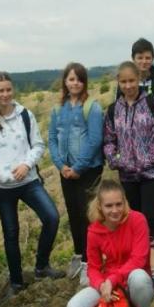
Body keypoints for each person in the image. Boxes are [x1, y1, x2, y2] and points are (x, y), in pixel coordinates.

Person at [0, 72, 63, 291]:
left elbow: (38, 145)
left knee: (51, 217)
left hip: (29, 180)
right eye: (0, 90)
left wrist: (26, 165)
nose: (5, 94)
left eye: (8, 89)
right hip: (2, 187)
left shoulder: (25, 115)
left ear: (13, 90)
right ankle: (16, 281)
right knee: (11, 234)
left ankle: (41, 266)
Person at [103, 61, 154, 300]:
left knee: (151, 220)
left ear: (139, 80)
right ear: (118, 82)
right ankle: (138, 271)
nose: (128, 86)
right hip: (127, 175)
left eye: (131, 81)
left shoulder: (153, 104)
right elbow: (108, 141)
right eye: (123, 82)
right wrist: (116, 160)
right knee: (132, 223)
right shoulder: (113, 110)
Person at [64, 180, 154, 307]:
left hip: (132, 280)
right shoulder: (94, 231)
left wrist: (112, 280)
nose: (115, 210)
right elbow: (93, 267)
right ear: (100, 206)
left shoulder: (137, 220)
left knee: (139, 277)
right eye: (109, 206)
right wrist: (101, 285)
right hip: (109, 284)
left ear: (125, 202)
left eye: (119, 204)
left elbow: (139, 259)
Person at [47, 62, 105, 282]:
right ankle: (80, 255)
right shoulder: (57, 109)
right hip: (66, 171)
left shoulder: (92, 107)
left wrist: (79, 167)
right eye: (71, 79)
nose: (75, 83)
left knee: (89, 215)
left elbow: (95, 139)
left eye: (79, 79)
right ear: (65, 81)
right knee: (73, 215)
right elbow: (52, 139)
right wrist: (61, 166)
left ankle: (91, 263)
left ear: (85, 82)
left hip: (88, 170)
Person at [118, 37, 154, 107]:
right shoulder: (125, 83)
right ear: (133, 58)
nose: (144, 61)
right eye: (140, 58)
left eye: (147, 58)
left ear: (153, 58)